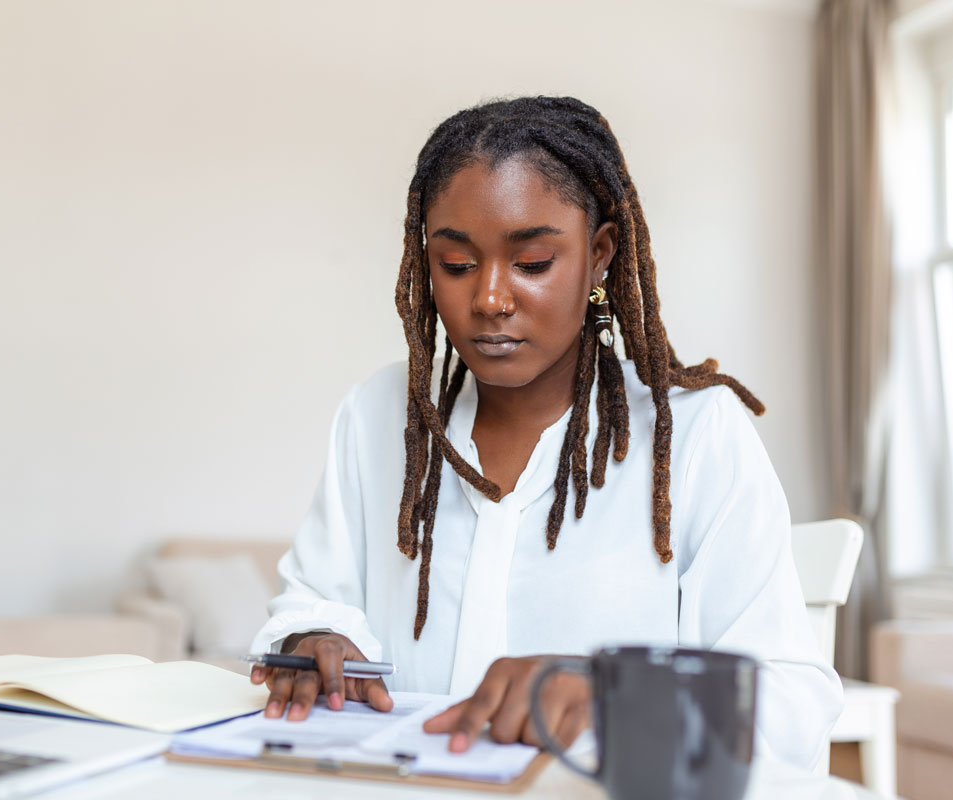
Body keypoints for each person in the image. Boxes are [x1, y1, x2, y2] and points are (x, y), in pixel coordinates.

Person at [247, 96, 842, 770]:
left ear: (599, 256)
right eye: (457, 265)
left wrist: (617, 695)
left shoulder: (698, 435)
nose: (490, 298)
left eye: (531, 263)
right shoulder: (379, 415)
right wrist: (314, 635)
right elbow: (313, 596)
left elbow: (792, 700)